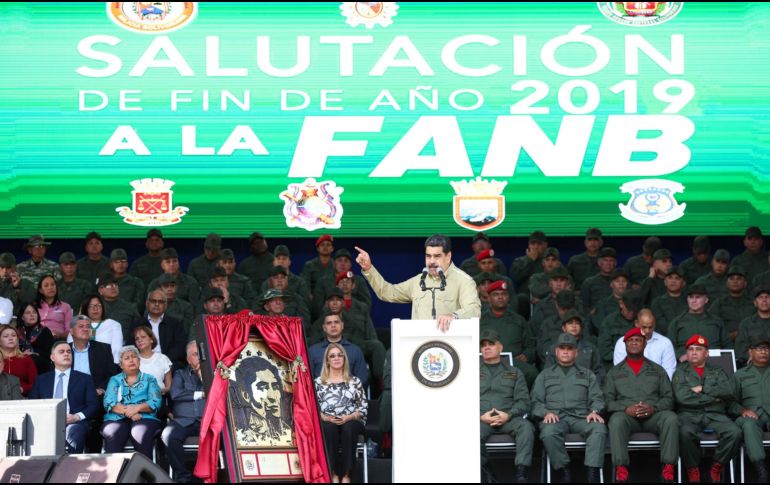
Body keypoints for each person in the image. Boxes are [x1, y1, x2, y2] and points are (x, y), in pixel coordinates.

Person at [356, 234, 480, 332]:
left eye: (437, 256)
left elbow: (474, 310)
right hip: (421, 347)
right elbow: (387, 292)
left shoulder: (464, 281)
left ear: (448, 256)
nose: (431, 261)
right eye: (428, 256)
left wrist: (454, 316)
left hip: (451, 347)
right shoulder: (419, 281)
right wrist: (368, 268)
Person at [604, 328, 678, 483]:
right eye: (630, 340)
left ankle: (668, 467)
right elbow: (607, 402)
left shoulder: (657, 370)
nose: (634, 343)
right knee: (616, 420)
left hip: (653, 416)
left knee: (670, 418)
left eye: (638, 340)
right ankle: (621, 468)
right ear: (625, 345)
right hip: (627, 418)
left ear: (645, 344)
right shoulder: (614, 372)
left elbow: (669, 398)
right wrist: (625, 409)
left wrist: (653, 408)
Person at [531, 332, 606, 483]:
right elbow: (534, 401)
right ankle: (564, 471)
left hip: (582, 417)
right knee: (548, 432)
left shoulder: (587, 374)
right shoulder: (544, 375)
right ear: (556, 351)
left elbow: (597, 398)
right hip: (556, 418)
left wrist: (594, 411)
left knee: (599, 428)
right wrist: (545, 413)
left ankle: (592, 473)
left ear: (576, 353)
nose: (566, 351)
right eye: (562, 348)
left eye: (570, 348)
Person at [673, 334, 742, 483]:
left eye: (698, 349)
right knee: (684, 433)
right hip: (689, 415)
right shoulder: (679, 372)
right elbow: (682, 398)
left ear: (706, 353)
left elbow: (728, 391)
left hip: (715, 414)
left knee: (735, 432)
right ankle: (693, 468)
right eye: (690, 349)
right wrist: (714, 398)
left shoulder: (718, 371)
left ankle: (717, 466)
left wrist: (702, 388)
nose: (694, 352)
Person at [479, 329, 534, 483]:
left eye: (491, 344)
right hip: (481, 419)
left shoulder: (514, 372)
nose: (487, 348)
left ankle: (521, 473)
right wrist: (480, 416)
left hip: (508, 418)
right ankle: (487, 470)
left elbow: (524, 401)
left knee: (526, 428)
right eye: (483, 345)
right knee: (469, 434)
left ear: (500, 348)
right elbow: (463, 400)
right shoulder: (470, 371)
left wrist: (508, 415)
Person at [29, 341, 99, 454]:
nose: (66, 354)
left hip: (75, 423)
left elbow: (93, 405)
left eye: (69, 352)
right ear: (52, 357)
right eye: (61, 352)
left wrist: (76, 417)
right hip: (47, 422)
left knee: (74, 431)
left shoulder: (84, 379)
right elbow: (33, 404)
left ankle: (70, 468)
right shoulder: (41, 380)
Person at [314, 343, 368, 484]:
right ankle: (332, 474)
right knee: (327, 428)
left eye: (340, 355)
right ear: (327, 360)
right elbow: (312, 409)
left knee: (348, 428)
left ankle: (346, 475)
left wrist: (348, 417)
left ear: (344, 358)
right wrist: (325, 417)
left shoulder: (355, 381)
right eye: (332, 356)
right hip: (327, 421)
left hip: (352, 420)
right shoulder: (318, 383)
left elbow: (362, 409)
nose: (336, 358)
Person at [101, 345, 163, 458]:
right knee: (113, 432)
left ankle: (144, 473)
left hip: (144, 417)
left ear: (139, 361)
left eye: (134, 357)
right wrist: (130, 413)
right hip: (116, 418)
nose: (131, 360)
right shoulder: (114, 380)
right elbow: (109, 402)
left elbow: (156, 401)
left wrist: (137, 408)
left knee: (139, 432)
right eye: (127, 358)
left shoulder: (150, 379)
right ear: (121, 365)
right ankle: (114, 473)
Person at [162, 341, 206, 483]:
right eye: (194, 354)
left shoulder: (212, 374)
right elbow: (175, 394)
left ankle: (208, 475)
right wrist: (200, 394)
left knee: (223, 436)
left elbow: (216, 392)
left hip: (207, 421)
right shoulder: (180, 374)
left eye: (200, 354)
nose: (198, 357)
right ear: (188, 359)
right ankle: (184, 476)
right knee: (168, 435)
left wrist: (202, 376)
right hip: (183, 420)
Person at [229, 354, 294, 447]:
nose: (273, 396)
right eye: (263, 387)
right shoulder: (241, 433)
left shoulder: (288, 431)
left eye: (275, 387)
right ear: (246, 395)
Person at [731, 334, 770, 482]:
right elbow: (730, 402)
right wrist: (742, 411)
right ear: (750, 352)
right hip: (750, 415)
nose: (763, 352)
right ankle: (761, 470)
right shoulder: (740, 375)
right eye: (759, 349)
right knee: (749, 424)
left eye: (766, 348)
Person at [130, 290, 188, 372]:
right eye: (153, 301)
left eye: (160, 302)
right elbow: (131, 345)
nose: (157, 304)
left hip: (170, 363)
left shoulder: (175, 323)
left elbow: (180, 346)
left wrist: (163, 360)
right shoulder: (137, 323)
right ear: (147, 303)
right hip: (143, 362)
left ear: (166, 305)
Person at [668, 284, 729, 360]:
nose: (694, 301)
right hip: (685, 364)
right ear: (687, 299)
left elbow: (727, 345)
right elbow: (669, 346)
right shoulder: (676, 322)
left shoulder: (717, 321)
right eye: (691, 297)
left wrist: (723, 359)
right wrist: (679, 356)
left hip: (714, 363)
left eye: (698, 297)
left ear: (706, 300)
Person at [613, 309, 677, 379]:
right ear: (636, 323)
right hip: (629, 386)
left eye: (650, 327)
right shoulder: (622, 342)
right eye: (644, 327)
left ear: (655, 324)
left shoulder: (665, 343)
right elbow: (619, 372)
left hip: (658, 387)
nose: (647, 331)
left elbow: (669, 372)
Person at [308, 313, 369, 388]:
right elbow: (307, 380)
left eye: (336, 322)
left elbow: (362, 379)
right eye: (329, 323)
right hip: (320, 396)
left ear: (342, 325)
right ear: (324, 328)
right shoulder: (313, 351)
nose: (333, 325)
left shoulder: (355, 350)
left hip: (349, 396)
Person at [69, 315, 118, 397]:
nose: (85, 329)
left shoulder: (103, 349)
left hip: (95, 395)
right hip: (70, 394)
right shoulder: (64, 350)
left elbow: (112, 374)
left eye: (88, 326)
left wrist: (102, 389)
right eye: (81, 326)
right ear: (71, 331)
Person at [70, 295, 124, 363]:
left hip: (106, 363)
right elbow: (70, 346)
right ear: (85, 308)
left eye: (98, 305)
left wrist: (115, 367)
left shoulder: (114, 325)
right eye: (91, 306)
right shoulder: (76, 325)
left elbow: (117, 349)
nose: (95, 309)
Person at [735, 285, 770, 365]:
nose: (764, 300)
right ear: (755, 303)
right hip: (753, 365)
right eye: (760, 297)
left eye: (767, 297)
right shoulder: (746, 323)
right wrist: (756, 358)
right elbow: (740, 350)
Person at [16, 302, 55, 374]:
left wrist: (35, 354)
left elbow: (52, 353)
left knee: (32, 358)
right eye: (28, 313)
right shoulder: (16, 332)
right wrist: (22, 355)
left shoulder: (45, 331)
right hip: (21, 362)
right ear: (22, 317)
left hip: (42, 364)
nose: (32, 315)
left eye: (34, 312)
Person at [650, 266, 688, 336]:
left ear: (683, 283)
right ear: (665, 282)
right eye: (670, 277)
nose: (673, 281)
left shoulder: (689, 302)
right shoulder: (657, 302)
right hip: (664, 338)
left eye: (677, 278)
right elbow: (660, 325)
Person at [0, 324, 37, 395]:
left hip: (21, 399)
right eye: (6, 336)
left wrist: (22, 389)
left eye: (14, 335)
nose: (11, 338)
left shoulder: (26, 358)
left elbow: (35, 384)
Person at [133, 326, 172, 394]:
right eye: (137, 339)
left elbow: (169, 387)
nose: (139, 340)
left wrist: (159, 391)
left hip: (158, 398)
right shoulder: (133, 360)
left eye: (143, 337)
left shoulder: (163, 359)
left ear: (151, 339)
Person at [36, 274, 73, 340]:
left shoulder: (65, 307)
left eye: (53, 285)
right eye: (46, 285)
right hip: (38, 339)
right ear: (40, 290)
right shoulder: (34, 307)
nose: (50, 287)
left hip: (58, 341)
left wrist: (60, 335)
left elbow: (70, 331)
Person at [567, 228, 604, 292]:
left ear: (601, 242)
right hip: (578, 297)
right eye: (590, 240)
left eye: (596, 240)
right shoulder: (575, 260)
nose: (592, 242)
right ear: (585, 242)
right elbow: (567, 281)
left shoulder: (607, 261)